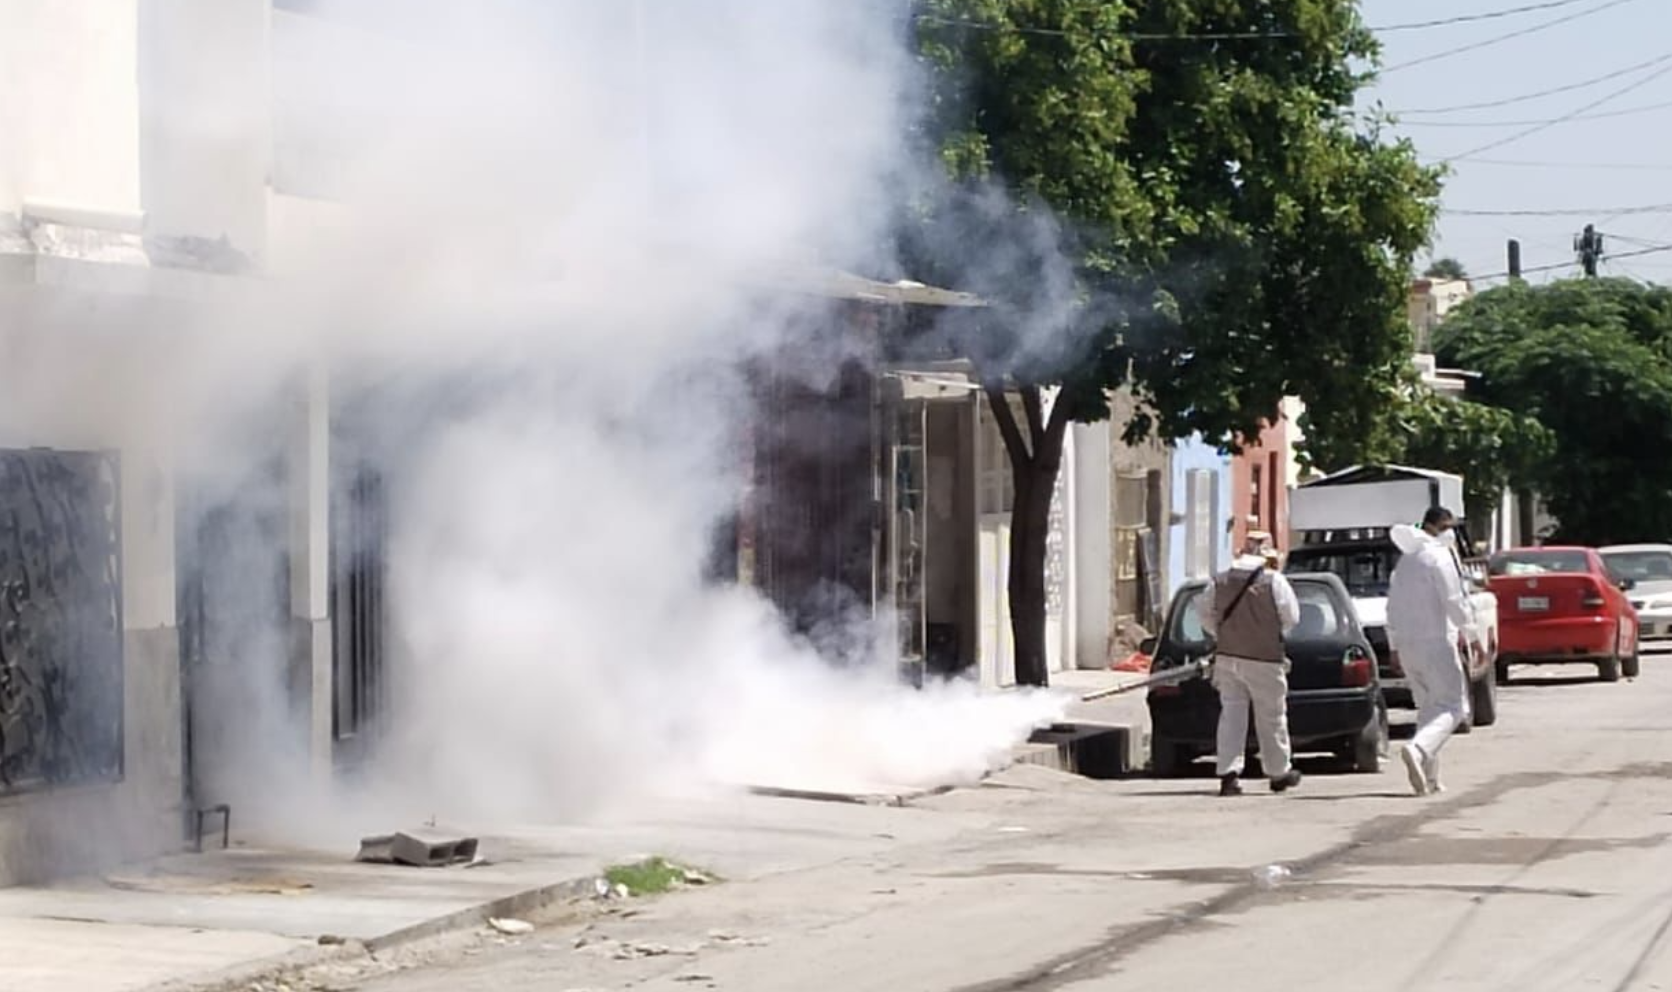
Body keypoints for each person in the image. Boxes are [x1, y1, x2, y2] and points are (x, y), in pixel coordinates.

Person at [1198, 531, 1303, 797]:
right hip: (1265, 658)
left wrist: (1223, 634)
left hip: (1228, 657)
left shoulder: (1219, 581)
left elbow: (1205, 614)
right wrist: (1271, 633)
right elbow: (1291, 617)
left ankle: (1228, 774)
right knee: (1272, 715)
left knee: (1232, 715)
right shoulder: (1274, 582)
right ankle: (1278, 771)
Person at [1386, 506, 1477, 796]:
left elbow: (1392, 608)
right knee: (1454, 706)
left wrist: (1394, 646)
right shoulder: (1438, 557)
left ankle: (1429, 777)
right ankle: (1419, 748)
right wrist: (1472, 634)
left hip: (1409, 646)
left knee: (1429, 707)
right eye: (1449, 526)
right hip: (1436, 642)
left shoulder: (1406, 561)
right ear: (1438, 526)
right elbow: (1454, 600)